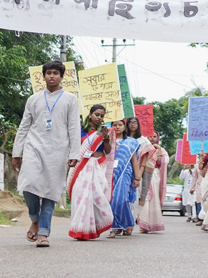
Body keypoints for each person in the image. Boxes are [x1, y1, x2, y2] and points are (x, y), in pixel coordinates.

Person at [12, 60, 80, 248]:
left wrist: (74, 152)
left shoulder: (70, 99)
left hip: (58, 151)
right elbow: (24, 126)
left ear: (61, 76)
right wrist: (16, 153)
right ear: (43, 76)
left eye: (55, 73)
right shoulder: (33, 99)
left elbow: (74, 127)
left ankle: (43, 233)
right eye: (48, 73)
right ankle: (35, 219)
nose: (52, 76)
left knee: (50, 193)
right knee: (28, 185)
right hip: (33, 147)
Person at [66, 104, 114, 240]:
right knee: (81, 196)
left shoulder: (104, 131)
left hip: (98, 166)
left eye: (102, 116)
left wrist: (105, 138)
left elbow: (108, 150)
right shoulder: (80, 129)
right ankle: (81, 228)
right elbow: (75, 145)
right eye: (96, 115)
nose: (99, 118)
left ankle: (96, 226)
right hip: (82, 166)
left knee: (97, 197)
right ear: (90, 114)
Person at [108, 119, 141, 237]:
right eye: (114, 125)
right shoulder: (107, 141)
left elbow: (134, 160)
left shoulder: (131, 142)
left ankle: (125, 223)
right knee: (110, 200)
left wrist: (137, 177)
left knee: (121, 200)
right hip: (109, 172)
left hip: (125, 173)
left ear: (124, 126)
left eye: (120, 125)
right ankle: (115, 227)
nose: (117, 127)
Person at [137, 130, 169, 233]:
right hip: (143, 175)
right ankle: (143, 224)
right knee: (144, 198)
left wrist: (158, 149)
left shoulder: (162, 150)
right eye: (149, 136)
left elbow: (161, 162)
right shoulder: (142, 147)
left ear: (158, 138)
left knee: (153, 199)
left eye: (154, 136)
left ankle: (152, 223)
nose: (152, 138)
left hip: (154, 176)